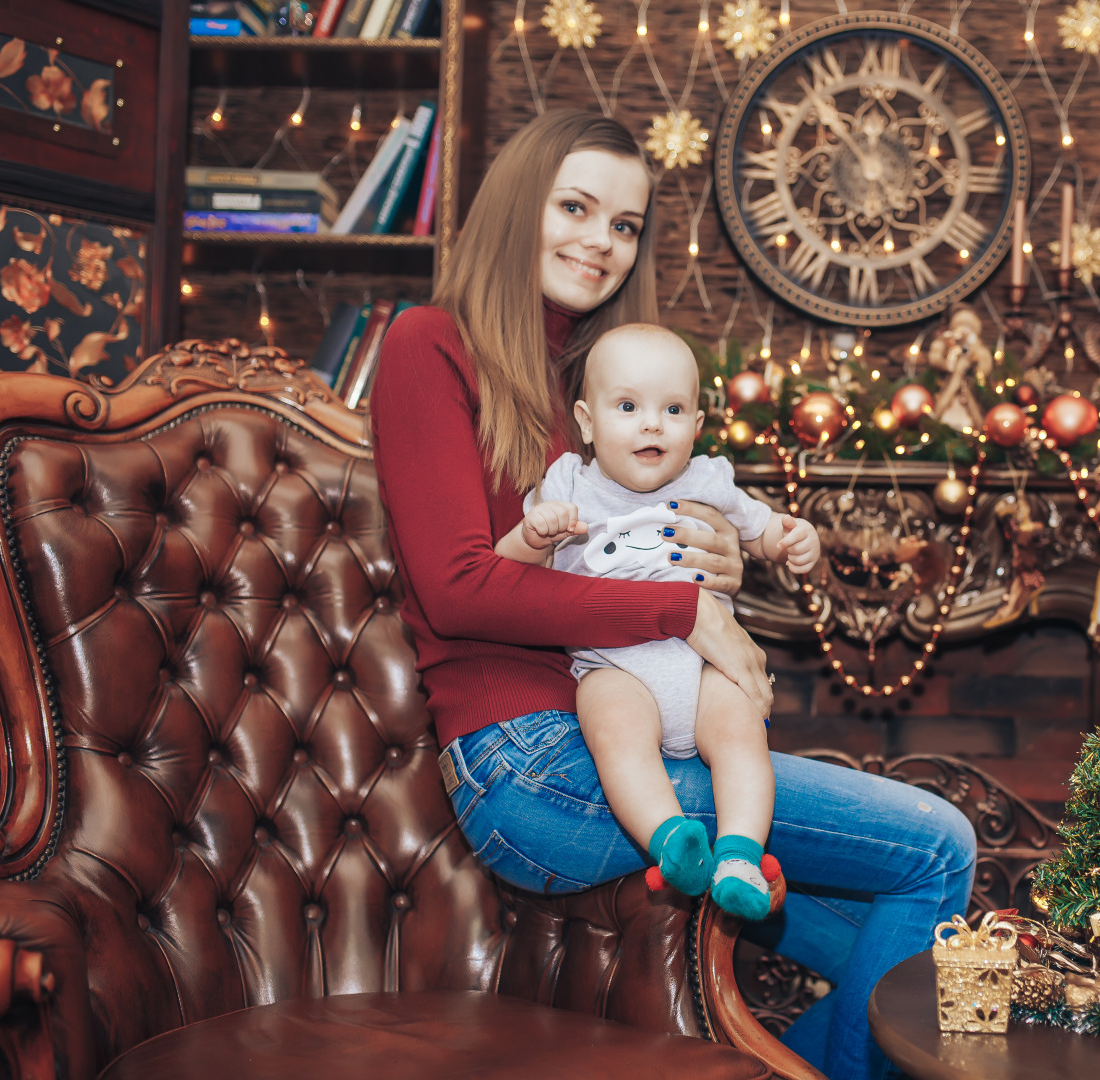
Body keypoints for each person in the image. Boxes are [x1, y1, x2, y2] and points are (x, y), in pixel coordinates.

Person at [369, 107, 975, 1080]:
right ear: (519, 205)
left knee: (872, 933)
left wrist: (708, 565)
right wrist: (682, 610)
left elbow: (636, 556)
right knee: (936, 849)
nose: (599, 242)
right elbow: (456, 590)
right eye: (574, 207)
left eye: (623, 225)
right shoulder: (427, 343)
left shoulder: (609, 388)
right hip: (529, 760)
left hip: (618, 730)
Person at [492, 322, 821, 920]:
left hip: (705, 668)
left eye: (672, 410)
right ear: (587, 423)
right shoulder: (567, 484)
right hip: (616, 667)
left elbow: (761, 528)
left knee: (743, 731)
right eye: (628, 407)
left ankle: (741, 854)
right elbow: (501, 575)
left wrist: (794, 539)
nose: (652, 424)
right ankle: (671, 840)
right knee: (615, 731)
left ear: (696, 428)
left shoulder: (708, 479)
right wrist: (530, 535)